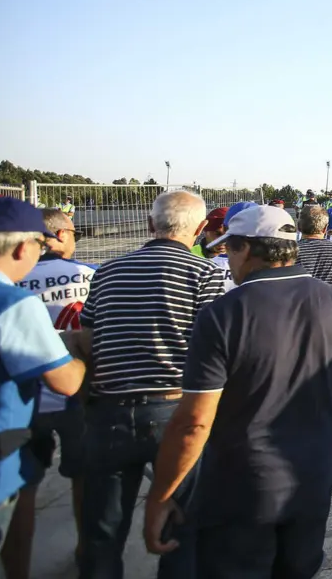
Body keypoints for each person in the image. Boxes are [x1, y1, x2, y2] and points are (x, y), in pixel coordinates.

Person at [143, 205, 332, 578]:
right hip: (311, 479)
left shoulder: (221, 315)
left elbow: (194, 423)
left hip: (242, 488)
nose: (227, 260)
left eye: (229, 250)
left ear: (246, 250)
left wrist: (161, 496)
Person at [77, 189, 225, 578]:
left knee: (101, 532)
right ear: (200, 229)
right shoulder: (205, 274)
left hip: (109, 411)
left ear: (149, 225)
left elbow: (88, 340)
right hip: (174, 411)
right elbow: (211, 349)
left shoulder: (107, 271)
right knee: (181, 526)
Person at [4, 209, 93, 577]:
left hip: (27, 400)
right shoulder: (90, 274)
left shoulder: (16, 285)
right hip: (74, 391)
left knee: (24, 490)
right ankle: (87, 551)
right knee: (84, 476)